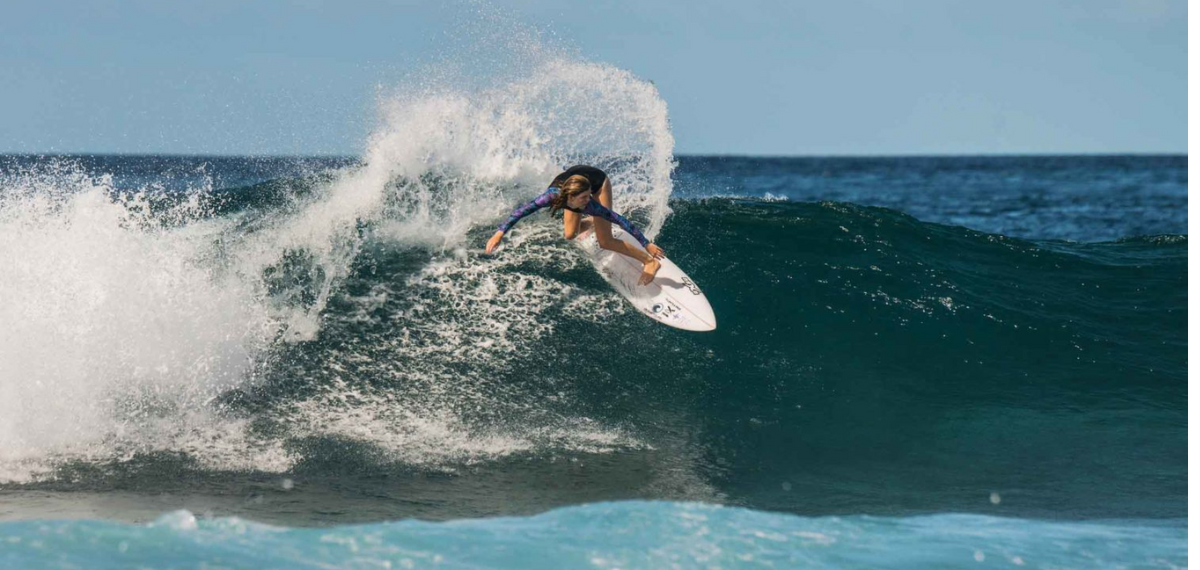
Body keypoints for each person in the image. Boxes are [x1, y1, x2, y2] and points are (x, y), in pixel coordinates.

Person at [485, 165, 665, 285]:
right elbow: (521, 211)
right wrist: (499, 233)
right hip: (575, 187)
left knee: (606, 241)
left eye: (588, 197)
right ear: (569, 198)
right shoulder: (552, 197)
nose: (588, 203)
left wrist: (646, 244)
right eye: (584, 199)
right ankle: (594, 222)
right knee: (570, 234)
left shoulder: (588, 202)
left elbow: (620, 220)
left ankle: (649, 262)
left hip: (599, 183)